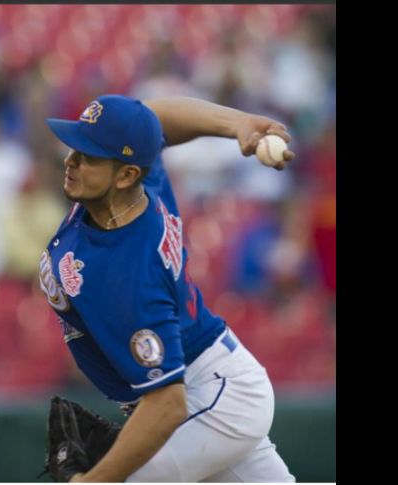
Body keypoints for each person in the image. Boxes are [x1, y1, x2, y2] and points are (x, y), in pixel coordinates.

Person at [38, 95, 296, 482]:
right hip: (208, 385)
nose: (70, 161)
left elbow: (168, 404)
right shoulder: (136, 185)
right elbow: (153, 119)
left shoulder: (131, 273)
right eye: (75, 149)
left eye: (88, 156)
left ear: (125, 175)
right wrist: (237, 123)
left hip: (211, 396)